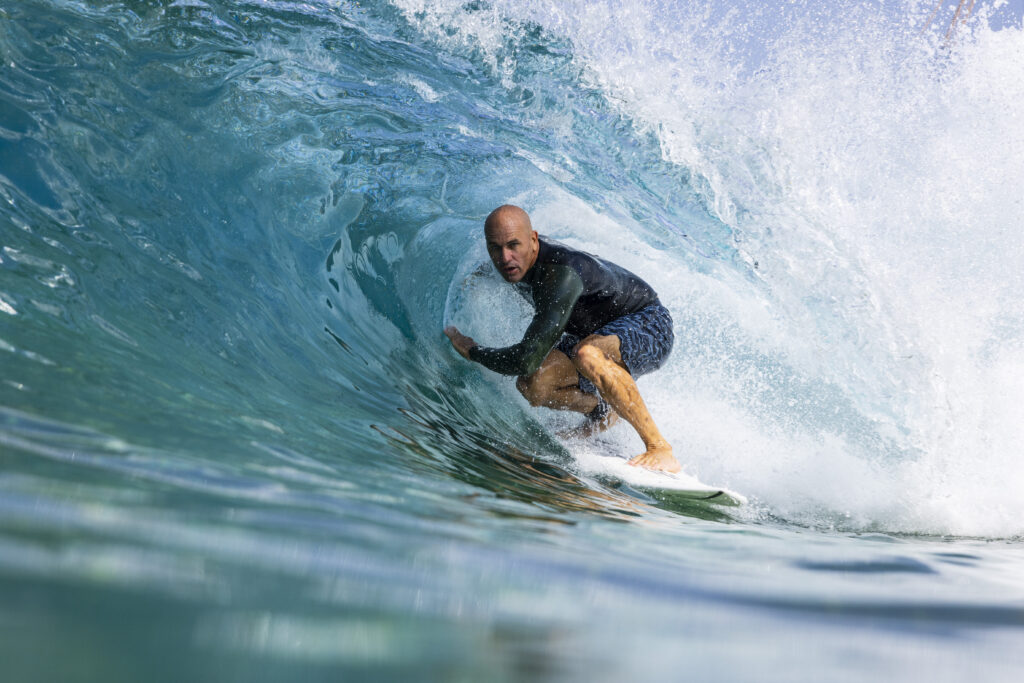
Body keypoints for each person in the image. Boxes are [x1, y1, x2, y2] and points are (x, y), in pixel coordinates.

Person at [444, 204, 680, 473]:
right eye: (495, 248)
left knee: (587, 354)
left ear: (534, 240)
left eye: (513, 245)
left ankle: (659, 448)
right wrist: (472, 280)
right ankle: (603, 411)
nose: (505, 257)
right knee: (534, 385)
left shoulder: (561, 275)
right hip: (590, 337)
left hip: (649, 323)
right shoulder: (514, 263)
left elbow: (526, 358)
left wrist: (473, 350)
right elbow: (530, 370)